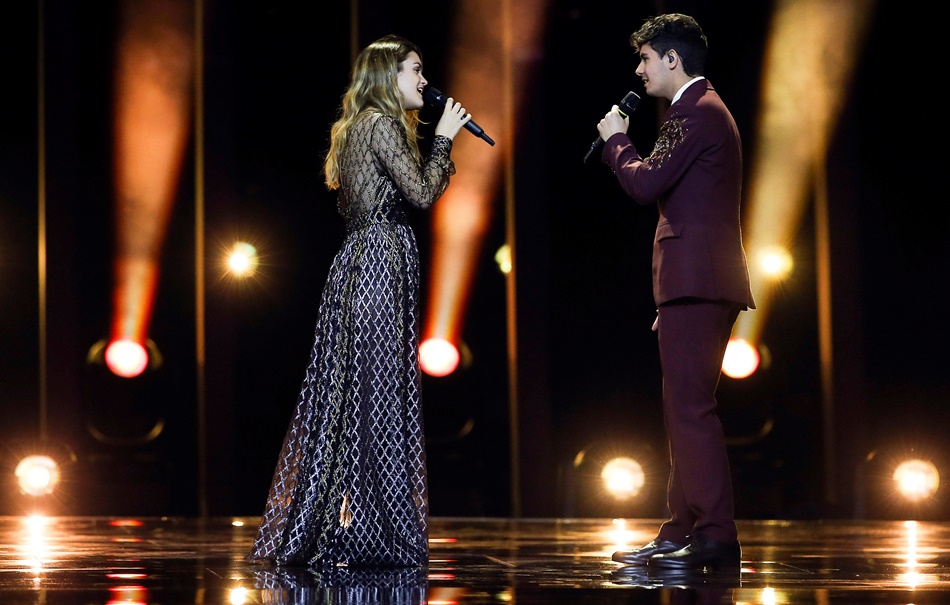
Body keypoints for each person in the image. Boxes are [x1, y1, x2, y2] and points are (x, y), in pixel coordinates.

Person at [246, 34, 473, 569]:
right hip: (376, 264)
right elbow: (420, 193)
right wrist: (443, 141)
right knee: (377, 397)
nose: (424, 80)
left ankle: (359, 528)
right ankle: (375, 534)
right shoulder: (380, 123)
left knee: (361, 395)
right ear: (387, 77)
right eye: (415, 70)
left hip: (365, 261)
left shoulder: (360, 126)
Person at [595, 13, 755, 571]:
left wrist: (616, 141)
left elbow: (644, 183)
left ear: (671, 58)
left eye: (644, 58)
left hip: (699, 282)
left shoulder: (694, 113)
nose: (638, 70)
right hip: (693, 283)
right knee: (681, 409)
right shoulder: (698, 111)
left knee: (691, 410)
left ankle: (714, 534)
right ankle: (681, 528)